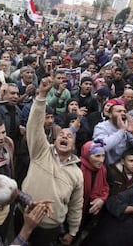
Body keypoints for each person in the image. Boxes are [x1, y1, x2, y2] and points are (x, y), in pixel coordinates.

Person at [22, 77, 83, 245]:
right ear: (55, 140)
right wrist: (41, 95)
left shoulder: (77, 173)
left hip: (49, 229)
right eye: (61, 135)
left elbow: (76, 206)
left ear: (73, 145)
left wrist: (72, 231)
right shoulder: (41, 151)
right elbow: (34, 125)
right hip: (23, 218)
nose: (64, 136)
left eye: (69, 136)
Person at [93, 101, 133, 165]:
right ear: (110, 115)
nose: (122, 113)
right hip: (107, 166)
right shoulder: (101, 127)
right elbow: (102, 147)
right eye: (119, 111)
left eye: (124, 111)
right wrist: (121, 131)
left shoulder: (127, 127)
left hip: (123, 166)